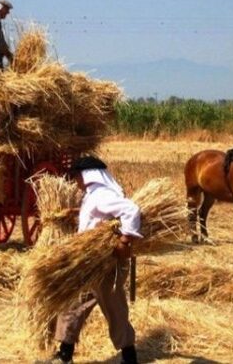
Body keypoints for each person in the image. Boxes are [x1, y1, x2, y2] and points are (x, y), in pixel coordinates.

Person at [39, 156, 141, 364]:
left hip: (106, 263)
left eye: (76, 176)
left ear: (86, 175)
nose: (75, 181)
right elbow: (99, 218)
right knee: (73, 304)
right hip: (90, 262)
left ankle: (129, 357)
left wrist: (125, 239)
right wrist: (76, 213)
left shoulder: (101, 194)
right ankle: (64, 355)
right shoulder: (94, 195)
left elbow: (131, 210)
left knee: (114, 308)